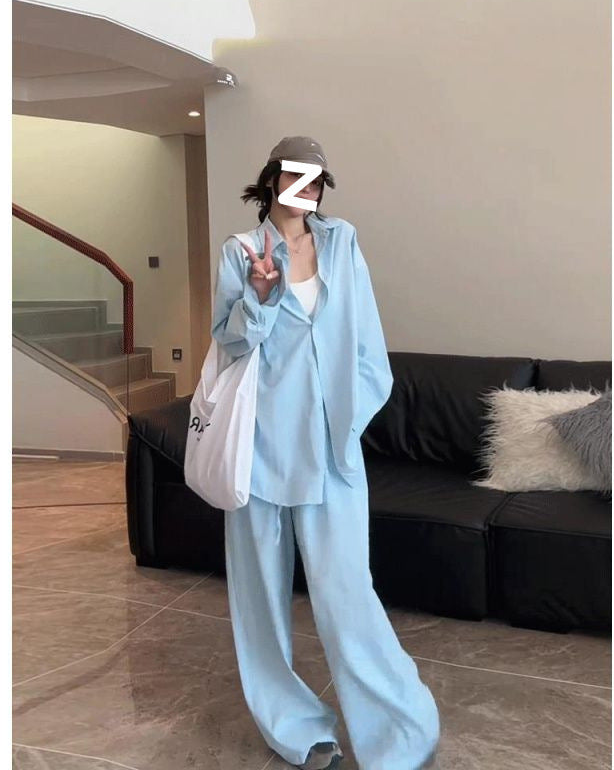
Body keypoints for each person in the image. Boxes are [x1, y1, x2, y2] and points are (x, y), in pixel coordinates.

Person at [211, 136, 442, 770]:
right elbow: (229, 344)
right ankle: (295, 729)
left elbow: (368, 342)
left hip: (332, 451)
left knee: (348, 593)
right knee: (259, 600)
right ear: (272, 180)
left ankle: (400, 732)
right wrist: (260, 299)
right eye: (296, 177)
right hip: (260, 449)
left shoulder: (342, 243)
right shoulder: (240, 251)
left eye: (316, 180)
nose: (306, 189)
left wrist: (349, 419)